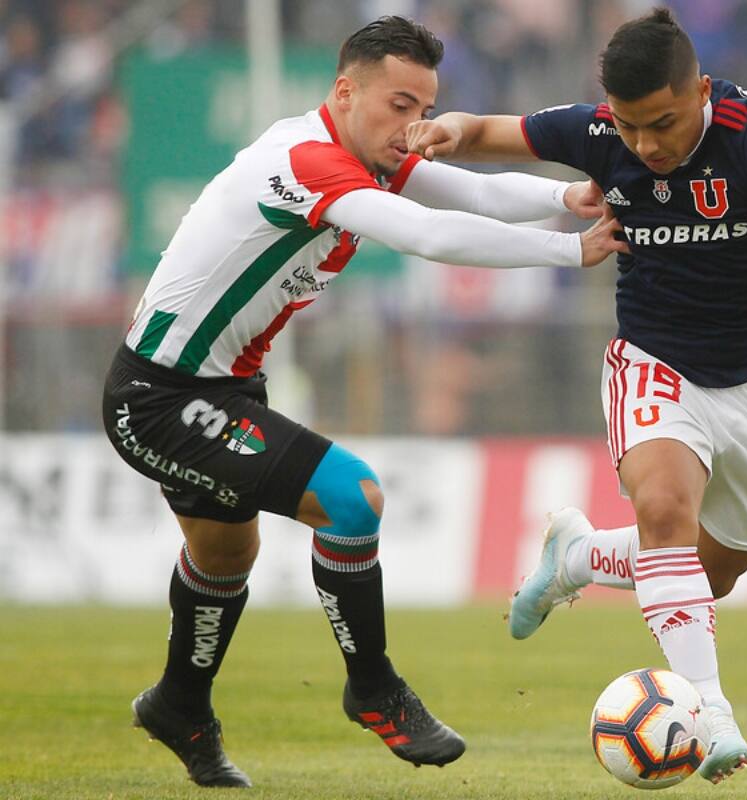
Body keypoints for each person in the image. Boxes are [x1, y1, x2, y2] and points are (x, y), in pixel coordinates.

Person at [101, 16, 626, 789]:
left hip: (222, 387)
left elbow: (477, 192)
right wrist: (568, 248)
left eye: (425, 109)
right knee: (353, 497)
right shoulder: (309, 161)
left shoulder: (366, 153)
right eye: (398, 105)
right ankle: (374, 688)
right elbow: (427, 236)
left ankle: (178, 704)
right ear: (345, 92)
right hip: (159, 397)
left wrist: (569, 196)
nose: (411, 127)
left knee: (225, 557)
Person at [407, 7, 747, 784]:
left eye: (662, 123)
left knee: (712, 572)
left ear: (700, 90)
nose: (646, 145)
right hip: (655, 359)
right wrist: (449, 128)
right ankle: (710, 711)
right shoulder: (597, 134)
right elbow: (491, 130)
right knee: (662, 509)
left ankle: (579, 555)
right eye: (629, 127)